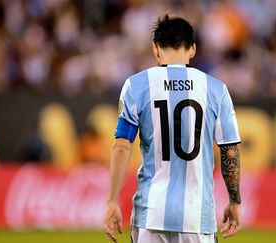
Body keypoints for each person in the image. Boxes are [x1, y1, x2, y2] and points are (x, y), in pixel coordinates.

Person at [104, 14, 242, 243]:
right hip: (197, 219)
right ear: (193, 49)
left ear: (156, 49)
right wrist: (235, 201)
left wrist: (111, 201)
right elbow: (229, 151)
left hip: (150, 215)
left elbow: (121, 146)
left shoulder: (136, 85)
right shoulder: (216, 89)